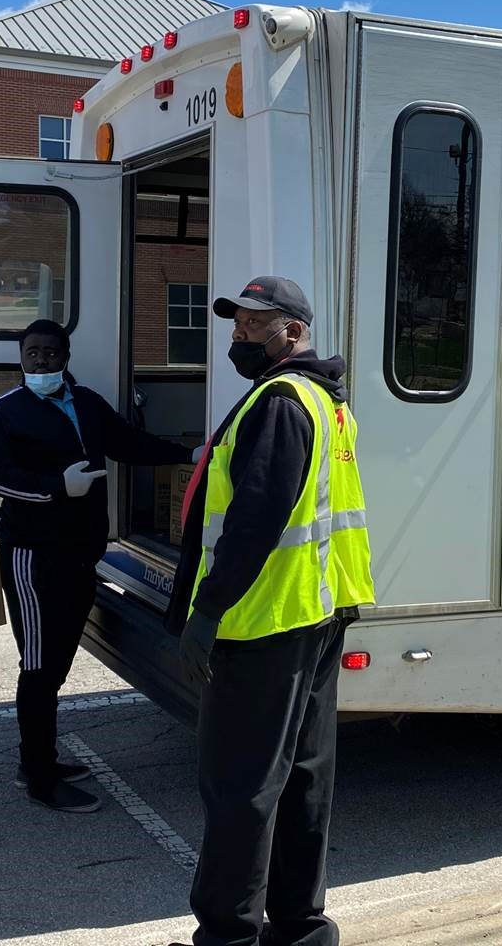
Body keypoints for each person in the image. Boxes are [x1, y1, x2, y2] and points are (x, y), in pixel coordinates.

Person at [166, 277, 376, 946]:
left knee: (241, 789)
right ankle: (302, 927)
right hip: (313, 616)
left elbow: (255, 519)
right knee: (302, 780)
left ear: (291, 331)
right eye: (234, 324)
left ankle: (226, 939)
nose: (237, 335)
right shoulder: (324, 400)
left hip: (263, 624)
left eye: (253, 325)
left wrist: (207, 611)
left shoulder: (280, 403)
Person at [0, 318, 195, 813]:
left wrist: (189, 453)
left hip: (81, 554)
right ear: (21, 358)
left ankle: (40, 756)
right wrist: (58, 486)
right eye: (32, 354)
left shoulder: (88, 402)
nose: (41, 362)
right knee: (38, 664)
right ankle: (38, 775)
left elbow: (129, 444)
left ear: (65, 357)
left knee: (57, 662)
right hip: (32, 556)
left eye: (50, 354)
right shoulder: (3, 410)